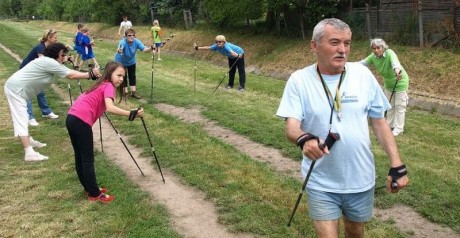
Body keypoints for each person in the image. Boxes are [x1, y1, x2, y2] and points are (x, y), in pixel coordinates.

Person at [276, 18, 409, 238]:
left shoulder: (362, 75)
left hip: (360, 178)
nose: (342, 50)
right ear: (314, 46)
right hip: (321, 180)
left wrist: (397, 164)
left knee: (355, 232)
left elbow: (379, 121)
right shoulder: (299, 80)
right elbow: (291, 126)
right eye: (335, 42)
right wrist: (304, 139)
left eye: (347, 43)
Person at [4, 42, 101, 161]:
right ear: (55, 54)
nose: (64, 57)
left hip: (19, 90)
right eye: (62, 55)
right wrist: (90, 74)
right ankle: (29, 153)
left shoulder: (49, 62)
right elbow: (70, 75)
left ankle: (30, 141)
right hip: (16, 89)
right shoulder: (48, 62)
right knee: (21, 119)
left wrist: (87, 73)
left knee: (24, 116)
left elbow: (66, 70)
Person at [66, 61, 144, 204]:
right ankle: (94, 194)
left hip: (71, 118)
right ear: (109, 73)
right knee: (87, 159)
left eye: (123, 76)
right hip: (81, 121)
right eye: (118, 75)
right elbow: (109, 107)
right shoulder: (108, 86)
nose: (121, 79)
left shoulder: (100, 84)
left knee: (80, 156)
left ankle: (89, 188)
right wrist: (131, 113)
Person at [360, 38, 409, 136]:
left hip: (400, 81)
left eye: (378, 48)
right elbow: (362, 63)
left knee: (399, 106)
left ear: (383, 47)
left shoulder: (390, 53)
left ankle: (399, 129)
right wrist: (348, 66)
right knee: (389, 105)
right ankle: (390, 125)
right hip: (388, 84)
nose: (376, 50)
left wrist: (397, 72)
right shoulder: (373, 56)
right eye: (374, 48)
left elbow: (395, 63)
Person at [21, 29, 61, 127]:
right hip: (27, 72)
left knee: (40, 92)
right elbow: (44, 63)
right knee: (29, 94)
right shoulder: (40, 48)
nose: (57, 39)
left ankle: (45, 112)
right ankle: (30, 117)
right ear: (49, 38)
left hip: (36, 73)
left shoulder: (48, 48)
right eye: (55, 37)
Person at [115, 28, 155, 99]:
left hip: (131, 61)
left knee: (132, 76)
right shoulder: (123, 42)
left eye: (133, 35)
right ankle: (125, 93)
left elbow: (145, 50)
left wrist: (151, 48)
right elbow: (119, 49)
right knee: (123, 77)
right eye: (129, 35)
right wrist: (119, 50)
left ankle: (133, 92)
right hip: (121, 61)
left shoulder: (136, 42)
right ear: (126, 36)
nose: (131, 37)